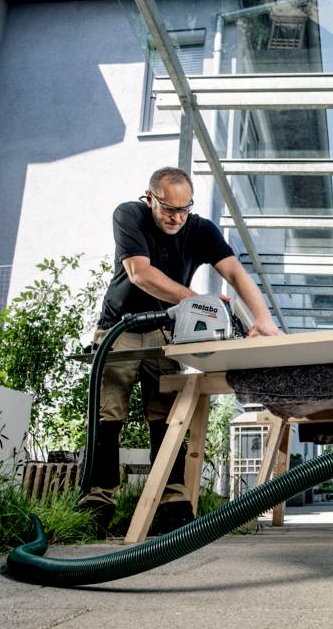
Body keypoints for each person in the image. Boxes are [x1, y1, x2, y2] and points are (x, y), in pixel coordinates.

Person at [78, 166, 282, 530]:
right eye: (169, 209)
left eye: (184, 209)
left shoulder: (201, 230)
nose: (176, 217)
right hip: (119, 329)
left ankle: (171, 500)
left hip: (165, 333)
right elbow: (140, 273)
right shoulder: (129, 215)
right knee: (108, 416)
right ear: (150, 199)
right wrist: (197, 301)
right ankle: (98, 501)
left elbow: (235, 272)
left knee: (167, 417)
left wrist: (262, 319)